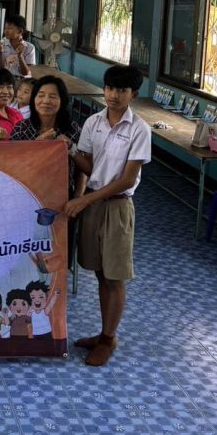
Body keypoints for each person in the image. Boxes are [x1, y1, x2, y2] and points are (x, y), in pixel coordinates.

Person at [64, 64, 151, 367]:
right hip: (94, 204)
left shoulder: (139, 129)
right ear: (104, 89)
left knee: (114, 276)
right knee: (100, 271)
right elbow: (91, 167)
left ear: (133, 94)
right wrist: (71, 150)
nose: (114, 95)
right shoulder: (93, 122)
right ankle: (103, 334)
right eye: (110, 88)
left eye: (122, 90)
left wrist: (85, 198)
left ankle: (109, 338)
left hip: (117, 205)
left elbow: (127, 179)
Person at [10, 75, 81, 195]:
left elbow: (82, 167)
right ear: (34, 99)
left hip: (63, 195)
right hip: (27, 192)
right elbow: (12, 163)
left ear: (62, 101)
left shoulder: (72, 128)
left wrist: (78, 196)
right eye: (41, 95)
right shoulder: (22, 128)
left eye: (52, 96)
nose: (46, 101)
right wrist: (37, 144)